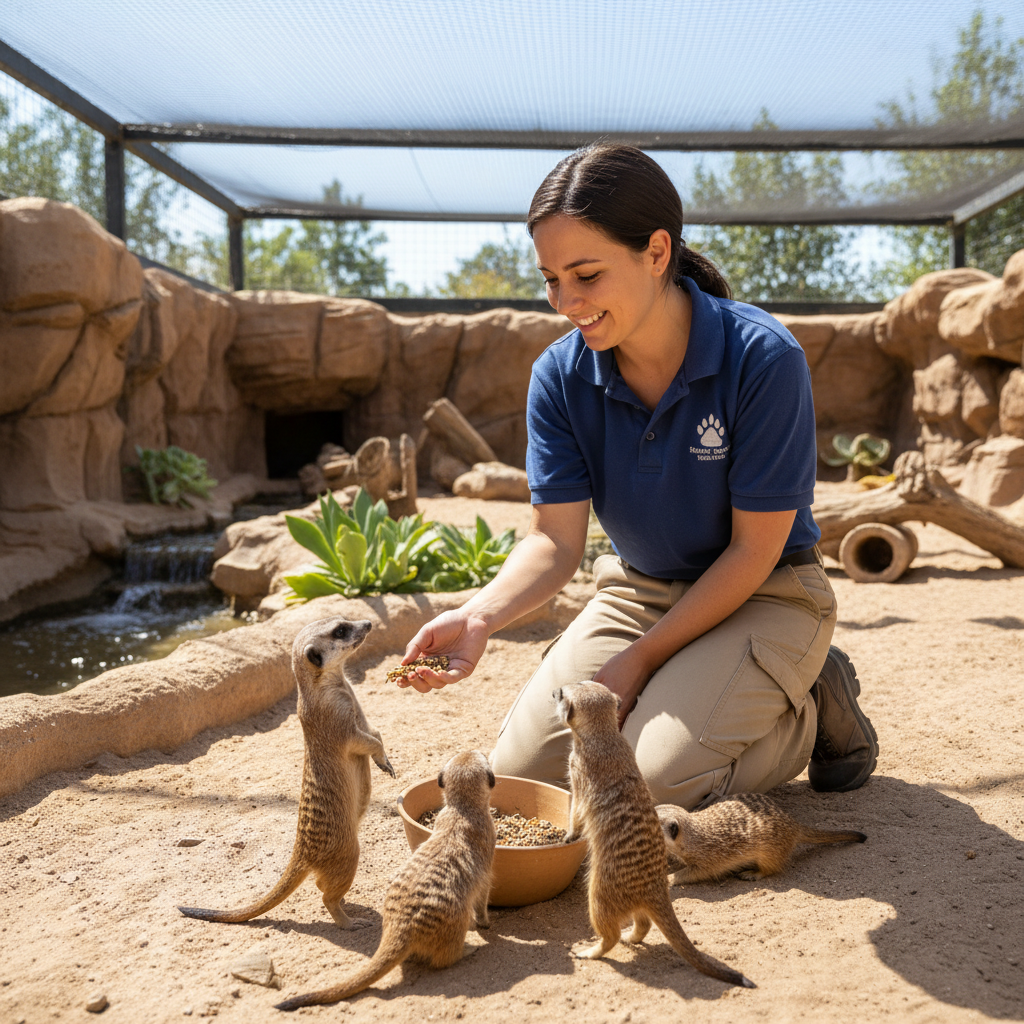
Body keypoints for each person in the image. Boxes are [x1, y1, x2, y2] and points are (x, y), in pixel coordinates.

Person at [397, 143, 878, 808]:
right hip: (639, 593)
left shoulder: (765, 358)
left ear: (656, 254)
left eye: (586, 274)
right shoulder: (558, 376)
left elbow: (755, 549)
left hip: (766, 593)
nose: (565, 301)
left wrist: (642, 660)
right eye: (549, 279)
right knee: (526, 784)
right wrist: (478, 616)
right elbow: (554, 542)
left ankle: (814, 708)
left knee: (651, 786)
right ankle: (700, 684)